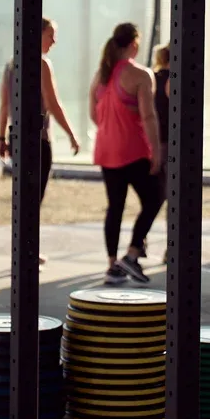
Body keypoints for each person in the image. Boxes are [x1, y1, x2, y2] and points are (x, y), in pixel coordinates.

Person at [0, 17, 81, 265]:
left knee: (25, 195)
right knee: (34, 197)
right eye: (50, 35)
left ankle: (23, 249)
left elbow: (4, 106)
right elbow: (53, 103)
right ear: (38, 35)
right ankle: (27, 250)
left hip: (16, 136)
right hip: (39, 139)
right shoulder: (42, 64)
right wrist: (71, 134)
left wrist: (1, 137)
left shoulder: (11, 65)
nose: (54, 40)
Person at [90, 22, 163, 285]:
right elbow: (148, 116)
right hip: (132, 150)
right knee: (155, 197)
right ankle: (131, 255)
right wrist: (156, 150)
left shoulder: (101, 75)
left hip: (106, 150)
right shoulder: (141, 74)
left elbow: (93, 114)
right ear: (134, 43)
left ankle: (113, 266)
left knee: (115, 207)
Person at [151, 43, 170, 264]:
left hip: (151, 143)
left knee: (154, 196)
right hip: (166, 144)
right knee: (168, 196)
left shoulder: (151, 77)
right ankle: (169, 247)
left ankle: (141, 240)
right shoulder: (172, 80)